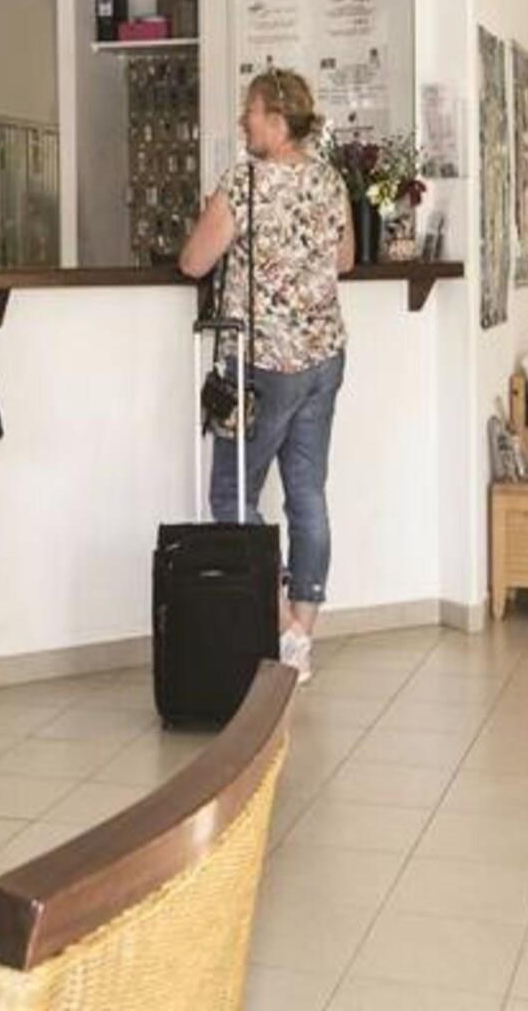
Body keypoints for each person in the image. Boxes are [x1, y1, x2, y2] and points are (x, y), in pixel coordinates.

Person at [179, 67, 352, 684]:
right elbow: (345, 259)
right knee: (307, 494)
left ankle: (283, 629)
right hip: (323, 357)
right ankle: (301, 632)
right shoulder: (330, 180)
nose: (242, 122)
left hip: (260, 366)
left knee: (231, 496)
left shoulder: (244, 183)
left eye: (249, 112)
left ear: (277, 121)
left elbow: (193, 260)